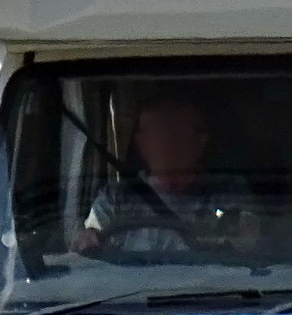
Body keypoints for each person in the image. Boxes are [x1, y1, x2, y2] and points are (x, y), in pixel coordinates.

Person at [75, 95, 258, 257]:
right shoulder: (115, 198)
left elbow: (247, 248)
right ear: (141, 143)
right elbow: (87, 243)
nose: (167, 141)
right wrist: (87, 239)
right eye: (156, 132)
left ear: (201, 141)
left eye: (180, 131)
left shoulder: (226, 192)